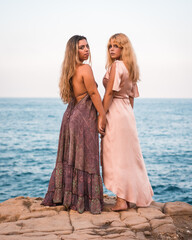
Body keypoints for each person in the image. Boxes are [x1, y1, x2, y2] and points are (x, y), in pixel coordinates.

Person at [41, 35, 106, 214]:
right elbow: (93, 93)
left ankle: (68, 197)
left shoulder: (70, 70)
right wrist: (102, 115)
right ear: (74, 51)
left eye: (87, 46)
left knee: (71, 158)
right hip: (84, 118)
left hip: (70, 117)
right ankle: (84, 200)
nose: (86, 50)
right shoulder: (85, 68)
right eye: (81, 47)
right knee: (87, 158)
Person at [101, 33, 154, 211]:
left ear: (123, 48)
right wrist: (129, 116)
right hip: (127, 113)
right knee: (128, 156)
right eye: (110, 46)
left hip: (115, 111)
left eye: (115, 46)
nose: (111, 49)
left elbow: (109, 94)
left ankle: (121, 200)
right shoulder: (131, 67)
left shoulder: (116, 66)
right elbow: (132, 97)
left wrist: (101, 115)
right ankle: (129, 197)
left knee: (115, 156)